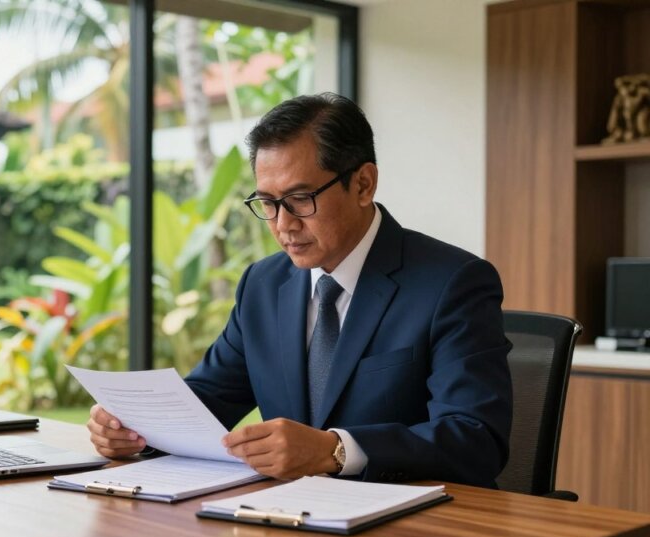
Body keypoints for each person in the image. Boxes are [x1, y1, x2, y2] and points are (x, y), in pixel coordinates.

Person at [86, 93, 512, 488]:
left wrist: (336, 450)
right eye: (267, 202)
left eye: (301, 198)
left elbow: (475, 438)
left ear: (363, 184)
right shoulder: (263, 284)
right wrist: (134, 430)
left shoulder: (452, 282)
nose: (283, 224)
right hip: (289, 520)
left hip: (414, 527)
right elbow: (206, 402)